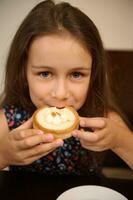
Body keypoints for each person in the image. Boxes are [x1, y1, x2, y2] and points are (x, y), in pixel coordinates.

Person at [0, 0, 133, 175]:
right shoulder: (9, 120)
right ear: (23, 73)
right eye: (45, 74)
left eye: (76, 74)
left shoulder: (103, 118)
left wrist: (119, 140)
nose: (61, 94)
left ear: (92, 76)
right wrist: (4, 154)